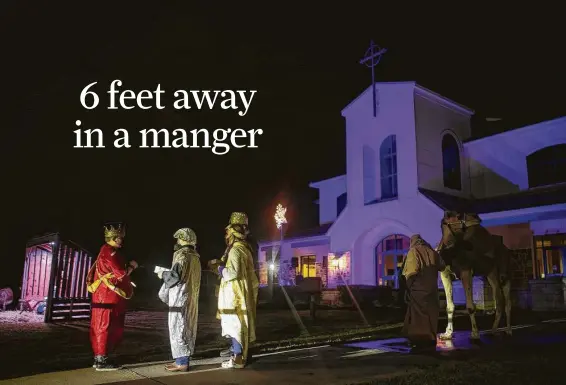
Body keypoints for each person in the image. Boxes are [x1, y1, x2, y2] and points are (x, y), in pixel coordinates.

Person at [87, 223, 138, 371]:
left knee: (99, 327)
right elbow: (121, 274)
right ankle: (102, 361)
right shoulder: (110, 252)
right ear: (115, 238)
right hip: (108, 297)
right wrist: (132, 267)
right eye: (120, 238)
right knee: (106, 328)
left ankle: (99, 358)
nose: (122, 240)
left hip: (101, 296)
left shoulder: (103, 251)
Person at [217, 212, 259, 369]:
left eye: (228, 232)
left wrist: (220, 268)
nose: (226, 235)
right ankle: (238, 354)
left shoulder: (235, 250)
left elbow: (233, 273)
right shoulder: (245, 249)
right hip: (241, 294)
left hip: (235, 295)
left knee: (235, 325)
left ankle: (238, 358)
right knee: (239, 324)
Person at [157, 228, 202, 372]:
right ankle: (182, 360)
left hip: (179, 299)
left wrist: (162, 273)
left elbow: (174, 277)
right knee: (188, 329)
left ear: (183, 240)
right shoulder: (195, 258)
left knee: (178, 329)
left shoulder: (182, 255)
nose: (176, 242)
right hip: (190, 300)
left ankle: (182, 362)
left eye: (178, 239)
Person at [401, 234, 444, 352]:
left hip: (418, 290)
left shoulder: (414, 252)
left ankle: (419, 340)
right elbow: (442, 266)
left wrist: (408, 288)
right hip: (432, 291)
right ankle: (430, 338)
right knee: (431, 315)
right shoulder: (432, 252)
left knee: (418, 317)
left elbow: (411, 272)